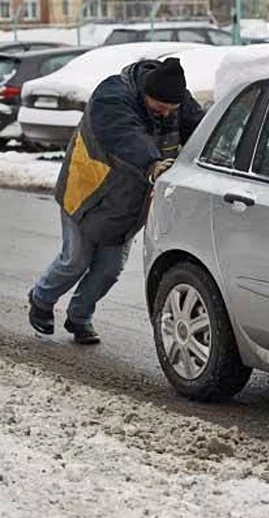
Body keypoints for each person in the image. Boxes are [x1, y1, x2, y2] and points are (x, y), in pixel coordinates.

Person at [27, 57, 205, 344]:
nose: (166, 113)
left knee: (109, 269)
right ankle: (41, 299)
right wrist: (153, 164)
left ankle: (80, 317)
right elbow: (126, 136)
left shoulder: (177, 101)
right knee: (76, 259)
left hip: (129, 200)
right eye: (160, 107)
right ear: (146, 93)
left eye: (172, 109)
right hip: (88, 191)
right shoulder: (112, 96)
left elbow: (200, 130)